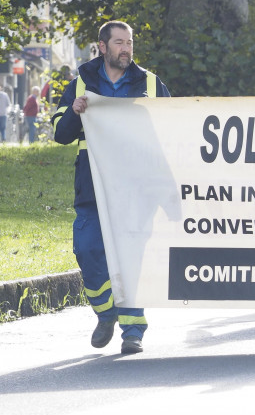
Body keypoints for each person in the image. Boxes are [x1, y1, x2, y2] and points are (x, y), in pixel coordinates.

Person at [52, 21, 171, 354]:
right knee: (87, 249)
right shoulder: (80, 84)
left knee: (132, 256)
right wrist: (75, 114)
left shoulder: (150, 83)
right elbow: (61, 134)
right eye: (119, 42)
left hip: (137, 187)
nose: (126, 49)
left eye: (130, 42)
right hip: (93, 184)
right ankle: (106, 312)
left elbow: (172, 130)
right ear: (102, 47)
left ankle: (133, 330)